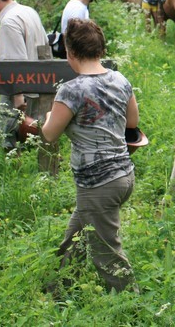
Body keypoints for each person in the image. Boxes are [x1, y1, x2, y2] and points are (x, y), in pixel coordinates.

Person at [40, 18, 140, 294]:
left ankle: (132, 303)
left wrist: (50, 115)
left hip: (98, 182)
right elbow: (132, 122)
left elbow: (49, 134)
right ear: (100, 50)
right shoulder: (120, 79)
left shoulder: (71, 90)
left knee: (106, 252)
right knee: (76, 234)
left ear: (70, 53)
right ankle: (58, 285)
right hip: (123, 175)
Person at [0, 0, 49, 151]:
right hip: (39, 84)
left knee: (8, 141)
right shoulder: (28, 11)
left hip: (18, 89)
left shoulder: (9, 21)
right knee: (34, 139)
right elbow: (44, 45)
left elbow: (14, 64)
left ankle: (10, 174)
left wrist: (18, 98)